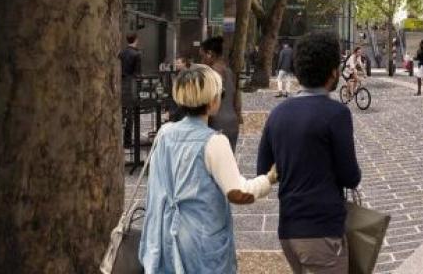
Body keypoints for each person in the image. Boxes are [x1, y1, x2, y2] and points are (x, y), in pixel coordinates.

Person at [139, 65, 277, 273]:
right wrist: (269, 179)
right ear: (213, 101)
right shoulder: (214, 142)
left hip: (165, 237)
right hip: (201, 243)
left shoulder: (164, 134)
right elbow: (238, 193)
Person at [257, 32, 361, 274]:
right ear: (333, 72)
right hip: (322, 231)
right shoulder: (336, 114)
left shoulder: (278, 114)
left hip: (288, 230)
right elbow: (350, 176)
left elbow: (263, 170)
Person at [202, 36, 241, 152]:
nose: (202, 60)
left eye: (202, 56)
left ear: (210, 54)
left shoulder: (209, 75)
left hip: (215, 123)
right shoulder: (230, 73)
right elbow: (237, 98)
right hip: (232, 122)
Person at [119, 32, 142, 147]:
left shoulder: (121, 53)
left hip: (120, 84)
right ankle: (127, 141)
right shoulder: (137, 54)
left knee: (121, 112)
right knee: (130, 113)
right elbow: (137, 74)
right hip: (131, 84)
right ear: (136, 40)